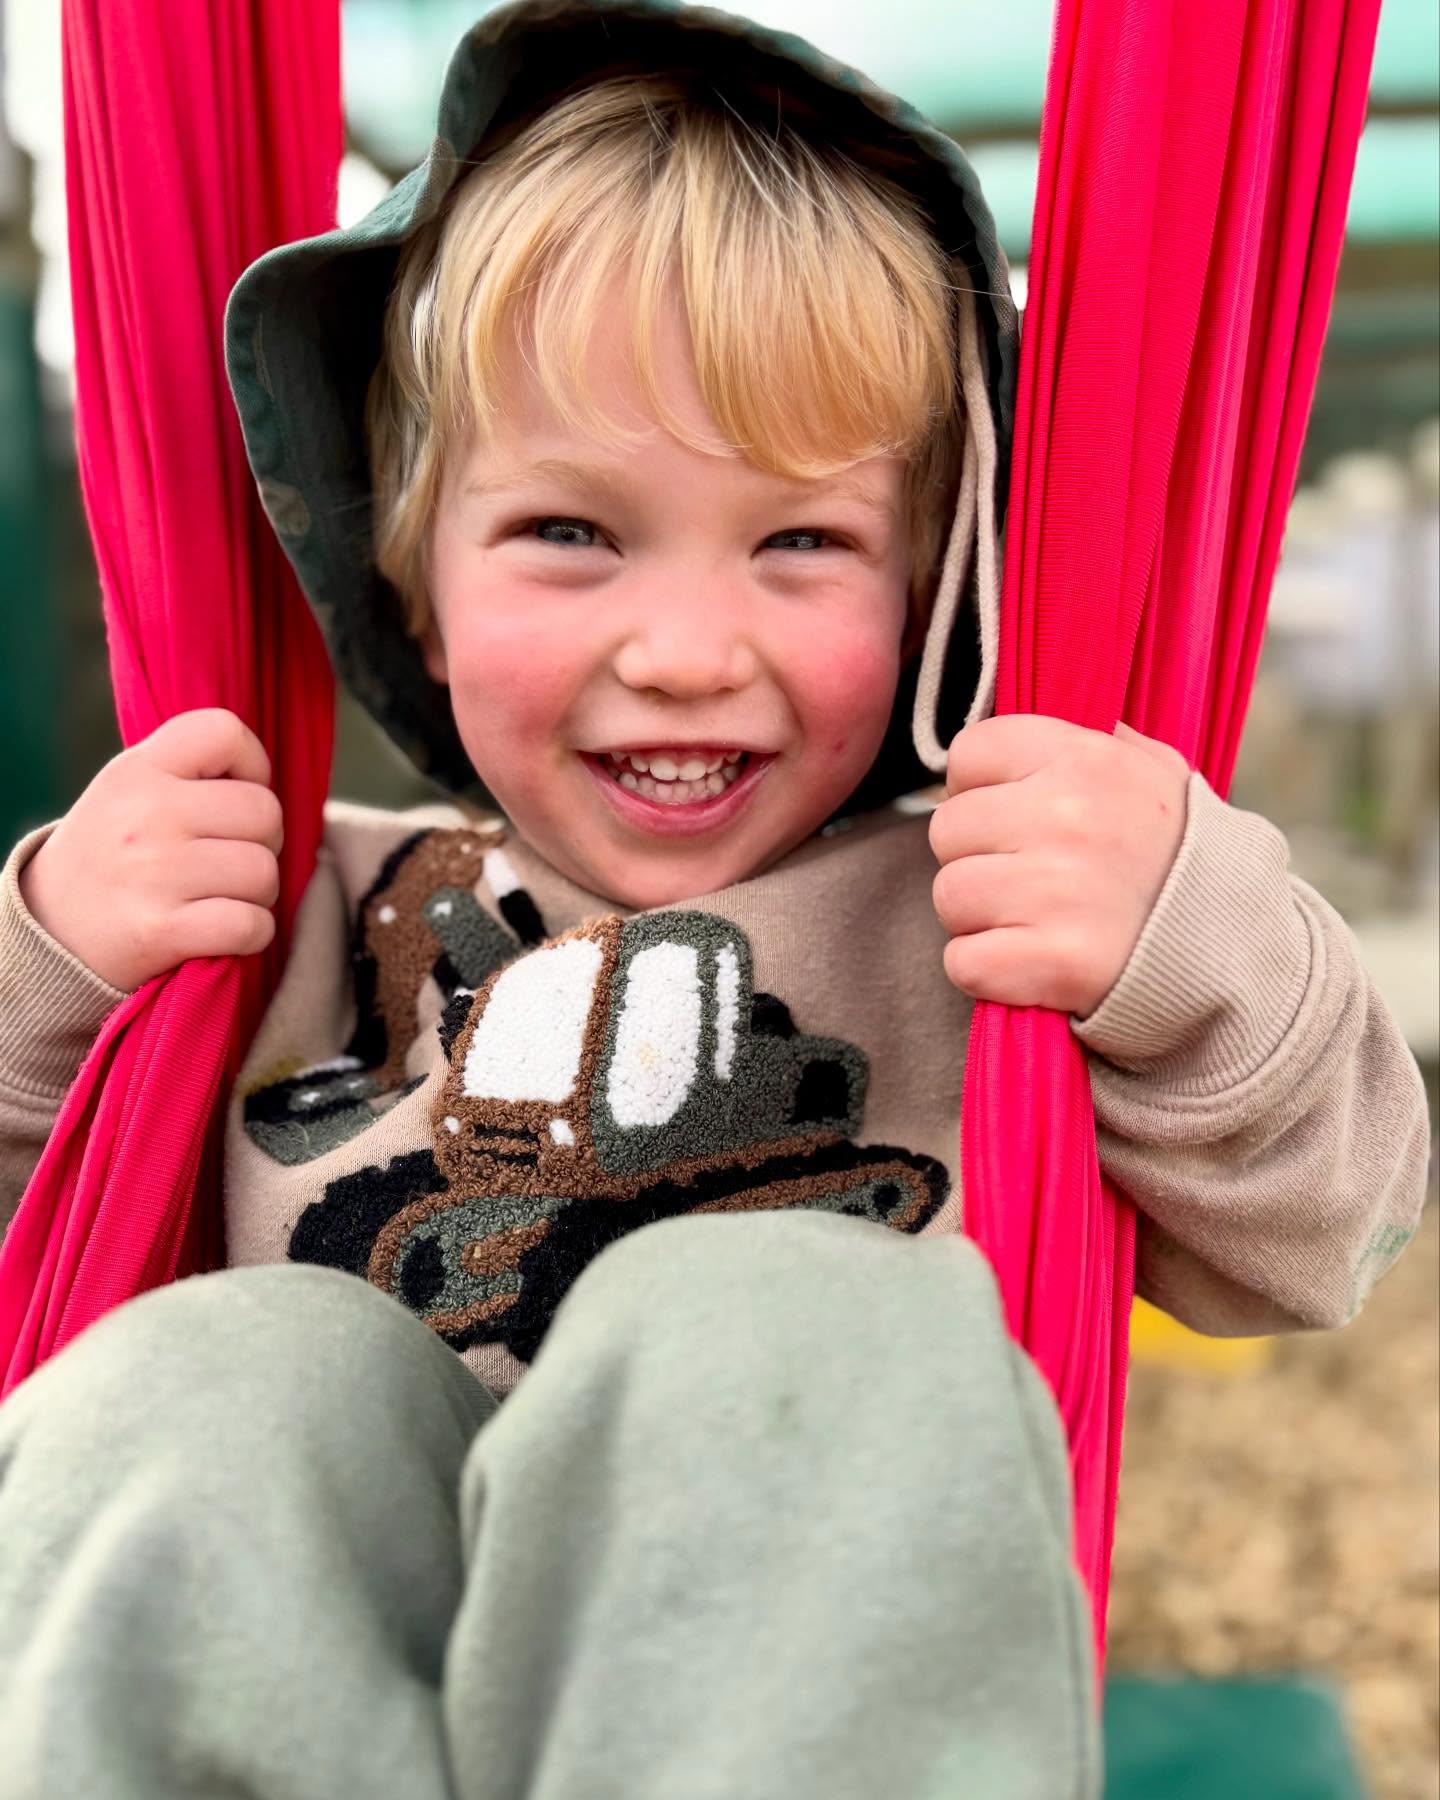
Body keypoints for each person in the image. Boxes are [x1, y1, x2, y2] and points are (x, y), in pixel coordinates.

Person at [0, 3, 1428, 1795]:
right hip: (332, 1659)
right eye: (571, 535)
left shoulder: (987, 918)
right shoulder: (284, 913)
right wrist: (55, 961)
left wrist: (1177, 935)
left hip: (759, 1685)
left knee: (788, 1322)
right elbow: (31, 1237)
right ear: (417, 580)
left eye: (801, 542)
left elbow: (1322, 1229)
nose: (683, 651)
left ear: (927, 598)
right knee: (212, 1377)